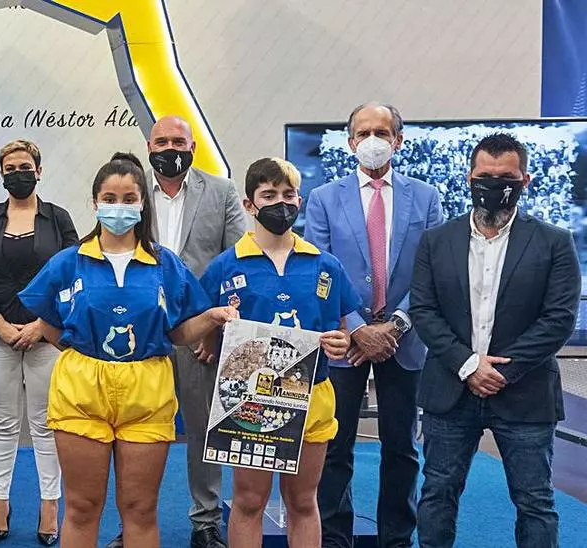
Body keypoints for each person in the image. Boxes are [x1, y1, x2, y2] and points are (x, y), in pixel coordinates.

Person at [18, 152, 238, 548]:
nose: (118, 207)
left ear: (142, 204)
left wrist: (211, 318)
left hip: (147, 392)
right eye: (110, 198)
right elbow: (47, 320)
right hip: (81, 390)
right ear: (95, 203)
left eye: (128, 198)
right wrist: (78, 349)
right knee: (82, 507)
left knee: (140, 508)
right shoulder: (69, 263)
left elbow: (179, 332)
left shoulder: (165, 265)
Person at [411, 133, 578, 548]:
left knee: (535, 501)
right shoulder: (436, 241)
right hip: (450, 389)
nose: (494, 184)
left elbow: (559, 319)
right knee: (437, 494)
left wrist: (502, 371)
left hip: (525, 391)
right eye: (486, 176)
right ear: (470, 177)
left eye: (506, 178)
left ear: (525, 181)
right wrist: (469, 365)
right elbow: (424, 311)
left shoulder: (555, 242)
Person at [199, 157, 358, 548]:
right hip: (251, 400)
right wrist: (211, 334)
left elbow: (341, 329)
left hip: (312, 394)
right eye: (269, 195)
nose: (280, 203)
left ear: (299, 201)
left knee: (303, 502)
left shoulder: (325, 265)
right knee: (249, 501)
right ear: (250, 204)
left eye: (288, 195)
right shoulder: (224, 266)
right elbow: (198, 329)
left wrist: (343, 342)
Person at [305, 102, 443, 548]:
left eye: (381, 132)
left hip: (405, 340)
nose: (372, 140)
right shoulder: (325, 198)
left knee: (401, 448)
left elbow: (433, 271)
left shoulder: (426, 197)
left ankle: (396, 539)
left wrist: (396, 325)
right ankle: (334, 538)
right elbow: (319, 269)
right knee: (335, 445)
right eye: (363, 133)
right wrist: (357, 327)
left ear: (398, 140)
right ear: (350, 143)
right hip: (344, 340)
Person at [107, 115, 248, 548]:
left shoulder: (221, 191)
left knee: (203, 428)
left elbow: (236, 262)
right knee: (134, 431)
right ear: (149, 147)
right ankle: (131, 523)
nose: (170, 148)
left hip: (200, 332)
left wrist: (214, 328)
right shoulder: (130, 194)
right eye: (161, 141)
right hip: (139, 332)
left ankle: (206, 521)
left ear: (192, 147)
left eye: (178, 141)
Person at [0, 139, 77, 545]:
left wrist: (41, 326)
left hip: (45, 339)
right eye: (10, 168)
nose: (18, 174)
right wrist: (1, 326)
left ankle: (50, 504)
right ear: (1, 174)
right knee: (3, 423)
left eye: (25, 167)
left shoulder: (58, 219)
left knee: (45, 423)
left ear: (39, 171)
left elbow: (73, 278)